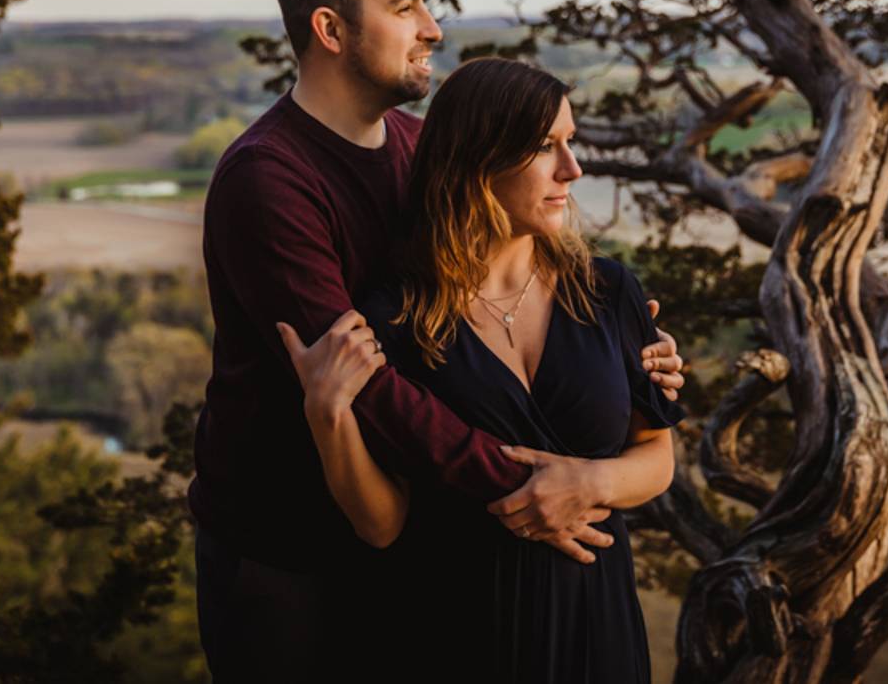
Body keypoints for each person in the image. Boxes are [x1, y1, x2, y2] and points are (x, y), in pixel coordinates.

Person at [188, 0, 685, 682]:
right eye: (406, 6)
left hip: (419, 550)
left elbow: (509, 257)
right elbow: (372, 385)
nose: (433, 27)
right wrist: (532, 482)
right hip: (291, 555)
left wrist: (626, 347)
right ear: (330, 29)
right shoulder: (270, 178)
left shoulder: (421, 148)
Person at [280, 57, 684, 684]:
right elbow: (382, 525)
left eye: (569, 143)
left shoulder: (608, 291)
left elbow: (657, 457)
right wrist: (327, 415)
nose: (572, 170)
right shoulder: (396, 317)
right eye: (545, 148)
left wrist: (590, 483)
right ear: (478, 158)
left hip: (595, 636)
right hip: (452, 638)